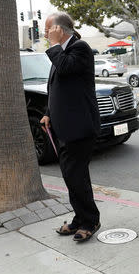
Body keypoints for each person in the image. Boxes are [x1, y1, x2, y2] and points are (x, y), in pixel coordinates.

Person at [40, 12, 101, 242]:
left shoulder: (80, 48)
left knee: (78, 178)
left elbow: (65, 68)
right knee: (70, 178)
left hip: (80, 128)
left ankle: (90, 220)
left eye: (48, 30)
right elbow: (56, 87)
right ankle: (79, 218)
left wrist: (55, 45)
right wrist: (48, 114)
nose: (45, 34)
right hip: (63, 128)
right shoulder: (61, 53)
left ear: (59, 29)